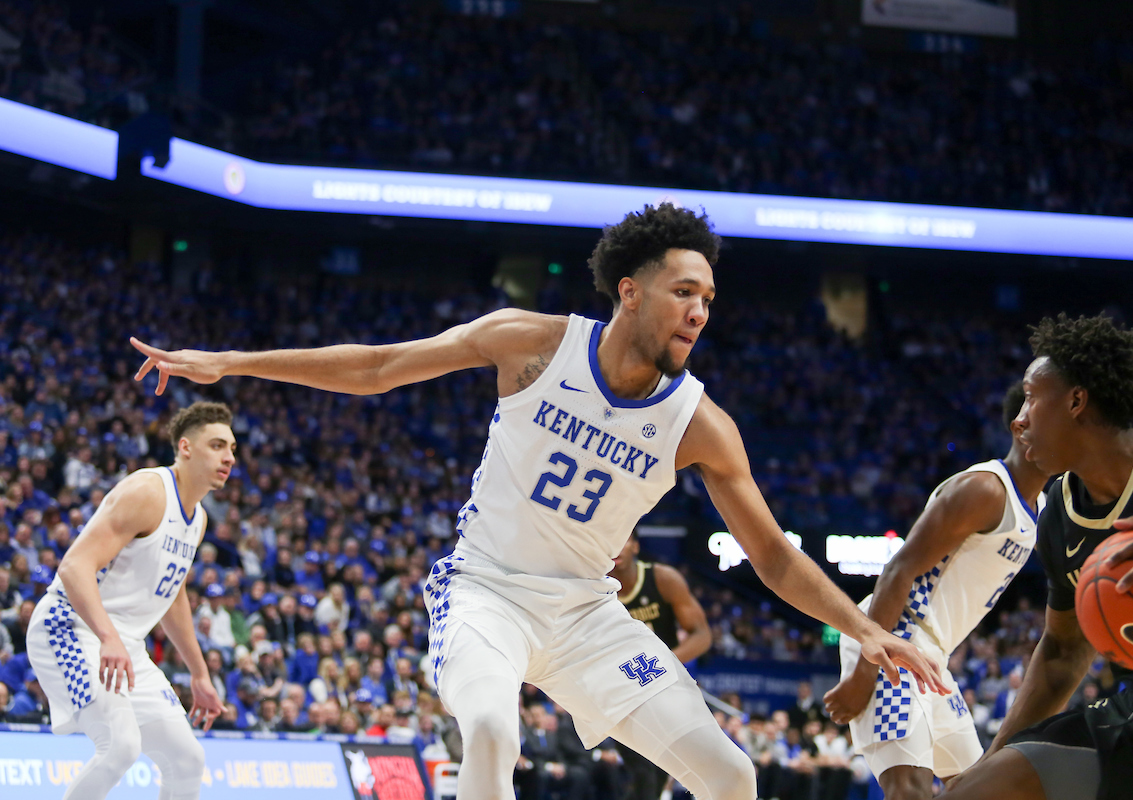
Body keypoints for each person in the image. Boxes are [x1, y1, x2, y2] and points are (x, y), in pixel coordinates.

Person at [131, 203, 947, 800]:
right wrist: (232, 363)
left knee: (731, 776)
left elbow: (770, 553)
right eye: (684, 292)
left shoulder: (702, 424)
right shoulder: (533, 344)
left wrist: (866, 627)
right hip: (486, 590)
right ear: (629, 291)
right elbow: (380, 367)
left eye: (709, 299)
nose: (700, 310)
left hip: (587, 614)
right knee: (489, 731)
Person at [943, 314, 1133, 800]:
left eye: (1031, 398)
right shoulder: (1057, 515)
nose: (1018, 418)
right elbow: (1062, 654)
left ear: (1076, 401)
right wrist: (993, 757)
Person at [824, 381, 1049, 800]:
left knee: (977, 789)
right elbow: (897, 571)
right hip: (895, 641)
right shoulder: (985, 489)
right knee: (908, 791)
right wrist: (863, 676)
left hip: (933, 659)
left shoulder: (1037, 508)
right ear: (1023, 426)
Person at [25, 402, 232, 800]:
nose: (228, 457)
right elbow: (73, 567)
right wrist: (108, 637)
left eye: (232, 448)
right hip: (69, 627)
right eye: (217, 445)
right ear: (186, 448)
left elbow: (172, 599)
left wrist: (200, 673)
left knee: (188, 760)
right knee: (121, 746)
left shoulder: (199, 518)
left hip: (123, 646)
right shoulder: (147, 491)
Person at [608, 530, 712, 799]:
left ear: (636, 545)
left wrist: (667, 660)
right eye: (610, 539)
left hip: (662, 685)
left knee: (658, 773)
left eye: (624, 539)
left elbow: (702, 634)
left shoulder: (663, 578)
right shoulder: (594, 585)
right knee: (642, 771)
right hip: (620, 690)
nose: (617, 547)